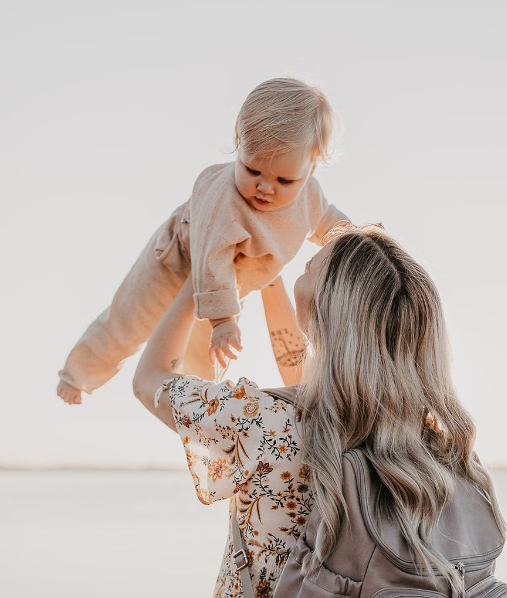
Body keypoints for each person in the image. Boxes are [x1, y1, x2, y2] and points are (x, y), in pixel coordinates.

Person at [56, 76, 349, 404]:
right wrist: (223, 320)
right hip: (176, 264)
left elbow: (326, 221)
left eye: (284, 179)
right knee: (127, 323)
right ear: (239, 145)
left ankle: (194, 405)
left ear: (312, 168)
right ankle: (78, 374)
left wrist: (354, 235)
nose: (265, 187)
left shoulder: (308, 196)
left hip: (230, 283)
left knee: (204, 358)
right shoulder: (223, 201)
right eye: (252, 171)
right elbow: (211, 259)